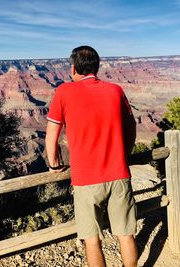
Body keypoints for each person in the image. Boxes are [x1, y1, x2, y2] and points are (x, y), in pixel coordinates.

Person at [45, 46, 138, 267]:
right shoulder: (115, 90)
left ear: (74, 68)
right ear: (96, 67)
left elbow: (51, 134)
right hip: (119, 174)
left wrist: (53, 163)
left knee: (92, 240)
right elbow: (131, 126)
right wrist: (125, 152)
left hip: (86, 180)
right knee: (126, 235)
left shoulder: (64, 91)